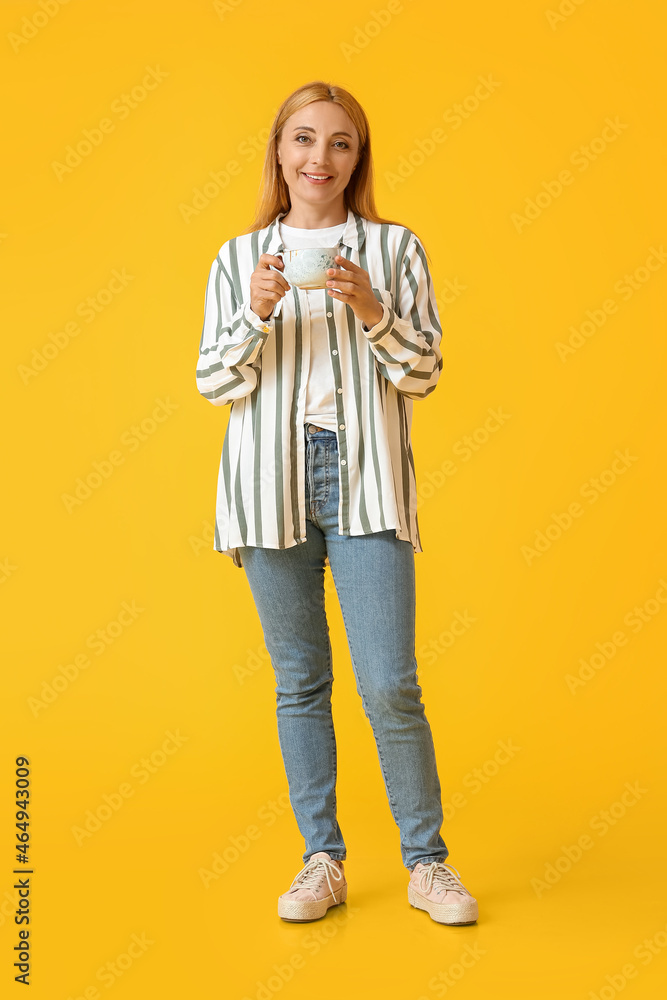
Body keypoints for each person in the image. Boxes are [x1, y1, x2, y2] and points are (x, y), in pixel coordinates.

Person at [196, 80, 478, 926]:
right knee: (299, 684)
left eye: (340, 143)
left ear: (357, 160)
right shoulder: (235, 260)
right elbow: (214, 382)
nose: (320, 158)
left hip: (366, 481)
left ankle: (427, 864)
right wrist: (254, 314)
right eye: (304, 140)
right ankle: (322, 858)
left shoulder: (393, 250)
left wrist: (369, 306)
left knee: (390, 685)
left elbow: (423, 375)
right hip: (266, 484)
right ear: (279, 153)